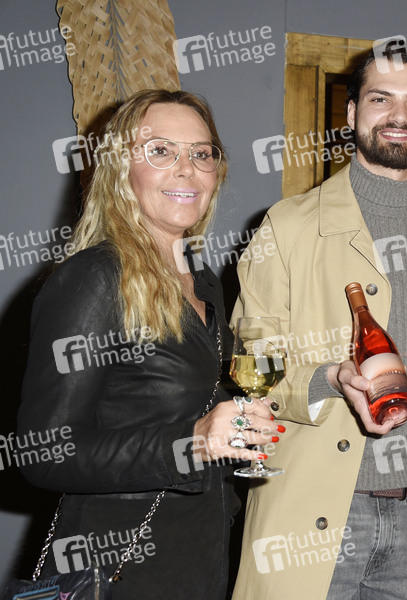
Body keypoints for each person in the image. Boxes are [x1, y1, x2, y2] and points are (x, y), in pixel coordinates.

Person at [230, 41, 407, 600]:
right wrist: (328, 379)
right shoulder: (286, 228)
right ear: (351, 113)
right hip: (315, 513)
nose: (399, 115)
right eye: (380, 98)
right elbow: (251, 367)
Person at [17, 89, 278, 599]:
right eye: (160, 151)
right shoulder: (94, 279)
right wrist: (193, 441)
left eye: (201, 153)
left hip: (200, 560)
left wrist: (239, 426)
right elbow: (43, 453)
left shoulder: (202, 280)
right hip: (113, 570)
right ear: (121, 169)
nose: (186, 169)